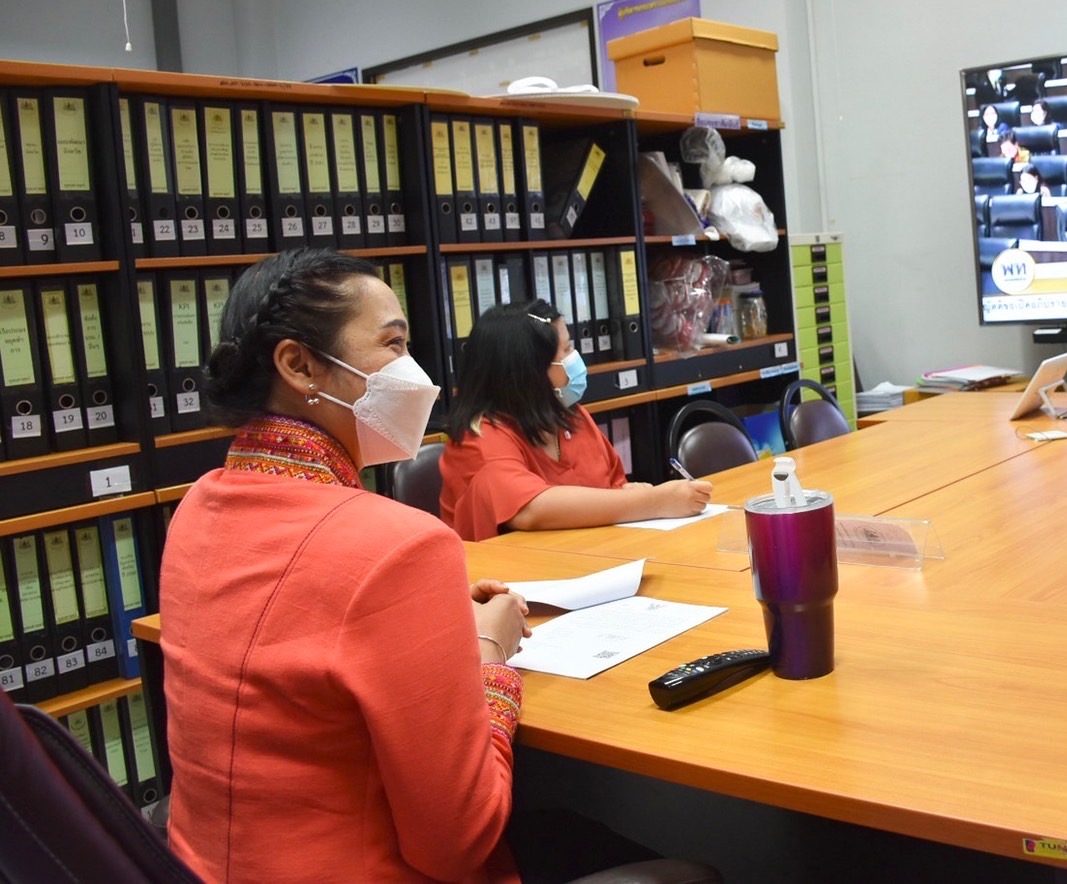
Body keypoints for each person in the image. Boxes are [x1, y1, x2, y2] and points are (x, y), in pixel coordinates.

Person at [159, 248, 531, 881]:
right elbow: (459, 841)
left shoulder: (197, 507)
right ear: (300, 366)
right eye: (393, 344)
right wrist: (489, 653)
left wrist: (423, 620)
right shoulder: (402, 545)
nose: (414, 371)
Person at [440, 299, 711, 539]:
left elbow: (612, 487)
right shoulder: (479, 436)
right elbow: (530, 509)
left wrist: (629, 493)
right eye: (566, 350)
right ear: (527, 371)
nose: (575, 359)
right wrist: (655, 501)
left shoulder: (569, 414)